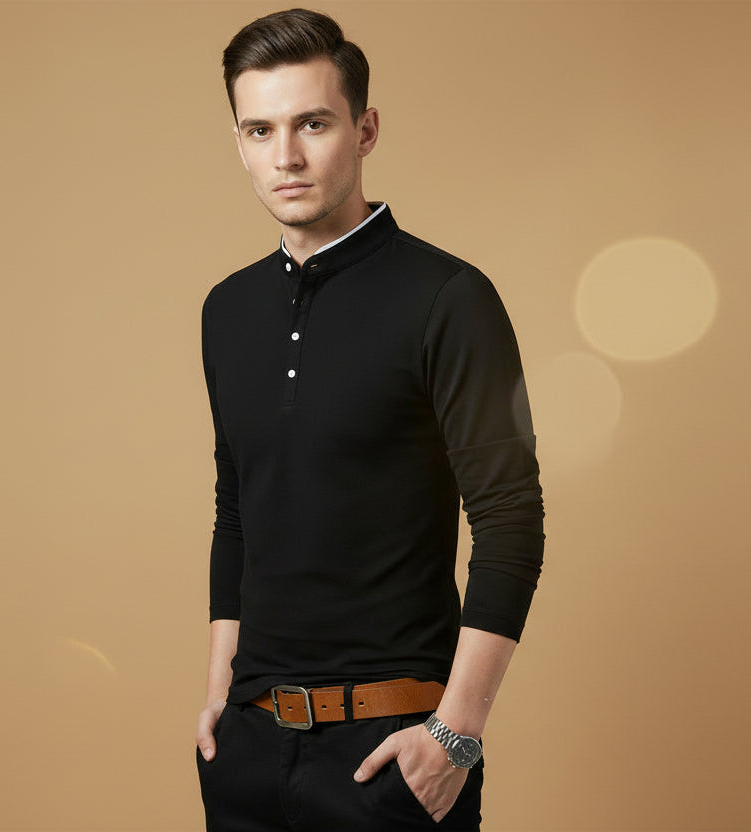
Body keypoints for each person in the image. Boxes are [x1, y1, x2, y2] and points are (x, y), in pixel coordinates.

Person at [194, 8, 545, 831]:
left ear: (365, 130)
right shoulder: (227, 309)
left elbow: (510, 520)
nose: (285, 156)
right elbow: (236, 509)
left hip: (390, 756)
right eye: (260, 130)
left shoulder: (448, 298)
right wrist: (218, 697)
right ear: (239, 142)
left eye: (313, 123)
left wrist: (455, 735)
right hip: (246, 752)